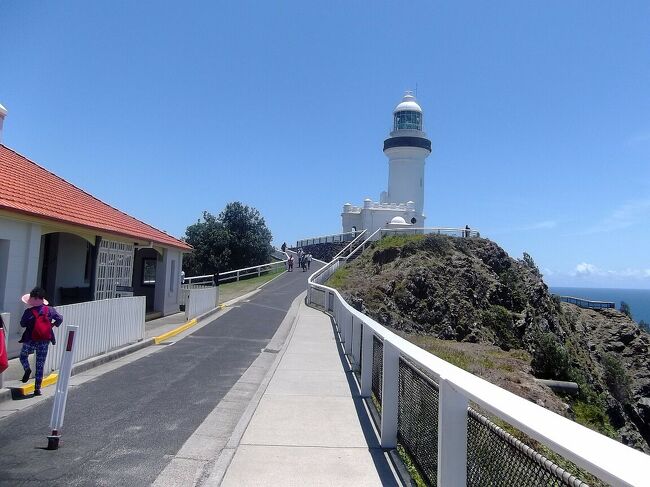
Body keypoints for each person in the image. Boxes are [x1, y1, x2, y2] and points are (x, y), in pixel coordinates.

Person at [19, 287, 63, 396]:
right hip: (44, 341)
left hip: (30, 339)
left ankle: (27, 369)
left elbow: (22, 324)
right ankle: (37, 389)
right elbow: (60, 318)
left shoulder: (28, 312)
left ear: (33, 298)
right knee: (40, 364)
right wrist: (52, 325)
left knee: (23, 356)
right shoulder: (50, 310)